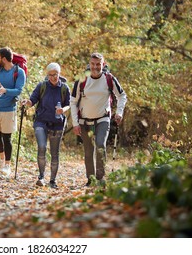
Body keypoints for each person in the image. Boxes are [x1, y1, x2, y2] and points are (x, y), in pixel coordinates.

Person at [70, 52, 127, 186]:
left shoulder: (109, 79)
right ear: (89, 64)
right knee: (88, 152)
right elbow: (73, 101)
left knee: (100, 145)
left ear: (103, 64)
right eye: (93, 64)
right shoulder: (82, 80)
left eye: (98, 64)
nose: (95, 67)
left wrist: (119, 112)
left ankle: (100, 178)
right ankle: (91, 179)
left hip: (103, 119)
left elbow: (122, 96)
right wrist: (75, 123)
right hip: (85, 121)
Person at [22, 63, 70, 189]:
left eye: (55, 74)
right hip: (41, 121)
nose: (53, 77)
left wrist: (63, 110)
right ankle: (41, 177)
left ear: (59, 74)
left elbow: (69, 104)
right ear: (47, 75)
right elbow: (32, 100)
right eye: (50, 75)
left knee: (55, 153)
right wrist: (27, 102)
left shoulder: (64, 88)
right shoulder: (42, 86)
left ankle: (52, 181)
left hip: (57, 124)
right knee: (42, 147)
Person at [0, 47, 26, 177]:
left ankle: (8, 165)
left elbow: (19, 90)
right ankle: (2, 159)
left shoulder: (19, 72)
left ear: (4, 59)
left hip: (9, 109)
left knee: (7, 138)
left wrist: (6, 91)